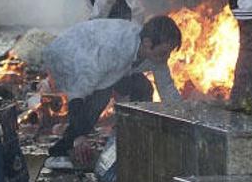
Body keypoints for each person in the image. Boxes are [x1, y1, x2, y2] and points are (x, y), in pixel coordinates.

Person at [42, 16, 183, 167]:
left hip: (106, 66)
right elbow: (80, 90)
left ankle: (134, 139)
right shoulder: (115, 49)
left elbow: (167, 87)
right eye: (163, 53)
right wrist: (79, 136)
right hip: (67, 56)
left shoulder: (152, 54)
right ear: (148, 43)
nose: (166, 58)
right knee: (100, 97)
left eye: (168, 53)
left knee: (143, 87)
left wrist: (183, 117)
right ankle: (60, 153)